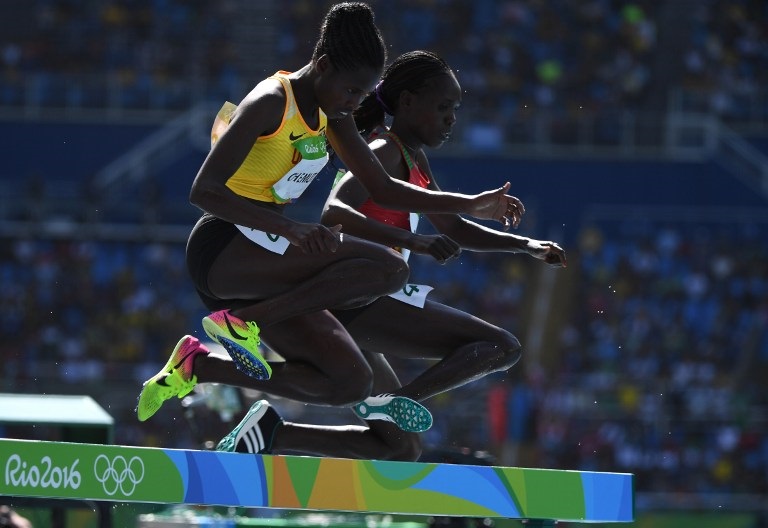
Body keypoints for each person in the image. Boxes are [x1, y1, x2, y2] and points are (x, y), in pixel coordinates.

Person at [137, 2, 525, 457]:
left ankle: (199, 366)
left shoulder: (333, 113)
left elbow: (382, 187)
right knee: (387, 270)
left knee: (351, 381)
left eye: (363, 95)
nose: (356, 104)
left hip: (270, 255)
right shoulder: (270, 102)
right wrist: (290, 229)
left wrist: (471, 203)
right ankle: (248, 323)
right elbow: (203, 191)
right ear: (322, 66)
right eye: (352, 91)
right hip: (223, 247)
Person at [214, 50, 567, 460]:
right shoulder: (382, 147)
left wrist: (525, 245)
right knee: (502, 347)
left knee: (402, 448)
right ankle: (401, 401)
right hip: (359, 295)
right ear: (407, 103)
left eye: (455, 109)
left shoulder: (413, 157)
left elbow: (453, 228)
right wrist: (416, 244)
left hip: (371, 298)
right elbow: (335, 212)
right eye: (443, 107)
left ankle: (274, 434)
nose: (452, 118)